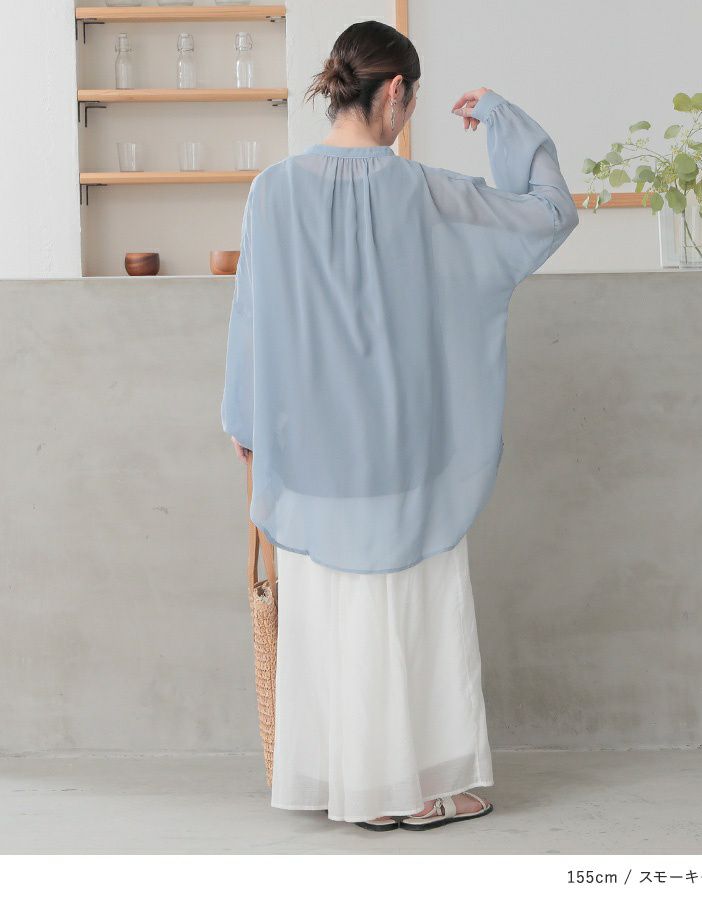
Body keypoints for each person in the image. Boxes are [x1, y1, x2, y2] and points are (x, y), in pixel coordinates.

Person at [221, 20, 579, 830]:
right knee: (410, 619)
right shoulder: (431, 194)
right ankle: (416, 790)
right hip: (407, 458)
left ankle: (353, 788)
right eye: (411, 100)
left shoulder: (271, 190)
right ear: (394, 91)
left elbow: (251, 318)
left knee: (335, 619)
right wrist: (504, 120)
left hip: (311, 460)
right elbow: (549, 213)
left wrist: (244, 421)